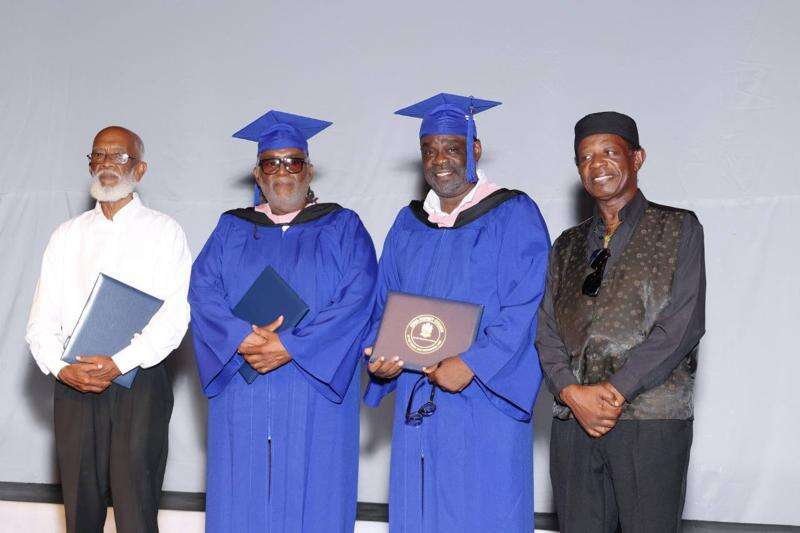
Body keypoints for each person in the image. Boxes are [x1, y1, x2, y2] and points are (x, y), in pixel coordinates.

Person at [364, 93, 550, 532]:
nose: (440, 159)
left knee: (486, 513)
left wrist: (473, 363)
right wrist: (379, 357)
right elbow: (382, 303)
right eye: (429, 150)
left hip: (483, 402)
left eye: (451, 147)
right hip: (418, 403)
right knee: (420, 513)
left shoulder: (513, 213)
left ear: (475, 150)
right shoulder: (408, 224)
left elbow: (528, 303)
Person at [189, 110, 377, 532]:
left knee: (318, 501)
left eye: (293, 161)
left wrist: (291, 345)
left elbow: (359, 295)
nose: (283, 171)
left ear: (309, 170)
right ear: (257, 173)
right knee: (242, 499)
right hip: (244, 384)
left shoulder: (343, 227)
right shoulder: (231, 228)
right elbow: (203, 291)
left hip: (314, 386)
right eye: (271, 162)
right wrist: (240, 337)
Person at [537, 111, 706, 532]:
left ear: (637, 158)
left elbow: (683, 324)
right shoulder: (567, 244)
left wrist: (613, 392)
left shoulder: (678, 227)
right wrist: (572, 392)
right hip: (573, 420)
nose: (597, 165)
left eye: (609, 152)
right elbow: (545, 327)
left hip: (650, 419)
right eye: (586, 157)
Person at [26, 126, 191, 533]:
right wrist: (62, 369)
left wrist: (119, 363)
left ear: (141, 168)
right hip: (74, 384)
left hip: (139, 383)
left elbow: (175, 317)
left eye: (119, 157)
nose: (106, 165)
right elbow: (40, 321)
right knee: (80, 514)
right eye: (98, 156)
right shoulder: (67, 235)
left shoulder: (164, 231)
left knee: (136, 511)